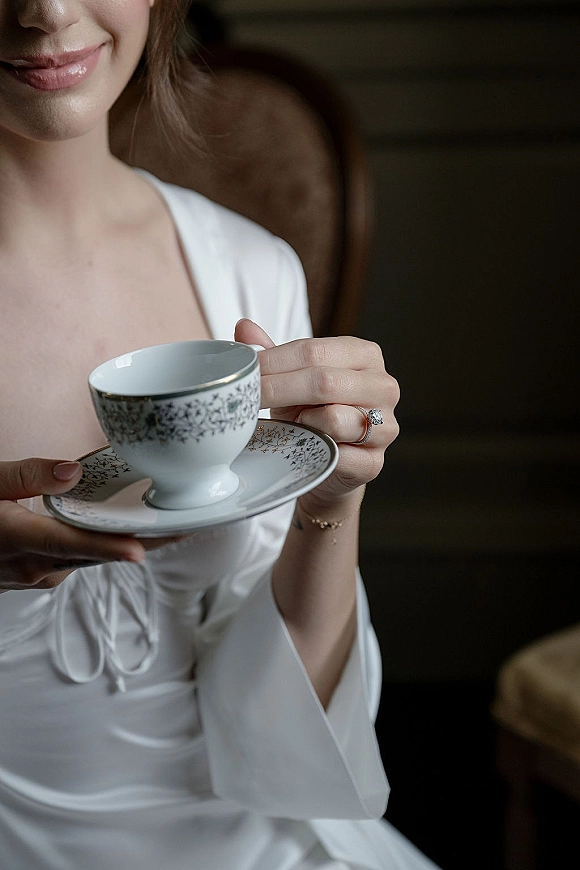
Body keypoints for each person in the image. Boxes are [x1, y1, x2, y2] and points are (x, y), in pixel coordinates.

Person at [0, 1, 440, 867]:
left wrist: (333, 493)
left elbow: (295, 713)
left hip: (253, 830)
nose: (45, 11)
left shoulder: (247, 267)